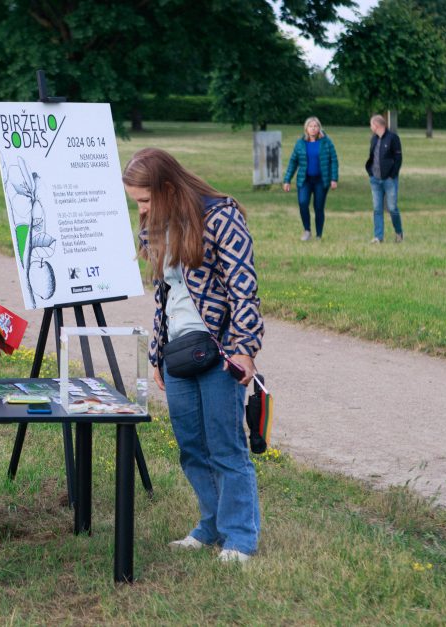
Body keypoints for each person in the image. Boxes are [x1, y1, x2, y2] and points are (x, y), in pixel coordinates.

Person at [123, 148, 264, 563]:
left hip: (220, 351)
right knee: (191, 449)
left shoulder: (221, 216)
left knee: (225, 447)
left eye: (146, 200)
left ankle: (240, 537)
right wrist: (155, 354)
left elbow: (244, 288)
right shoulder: (156, 225)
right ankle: (211, 525)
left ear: (167, 187)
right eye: (137, 203)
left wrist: (245, 349)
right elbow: (165, 295)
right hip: (177, 353)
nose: (142, 210)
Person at [283, 116, 339, 241]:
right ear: (306, 129)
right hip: (305, 180)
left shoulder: (326, 142)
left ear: (319, 128)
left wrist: (334, 178)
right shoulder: (300, 143)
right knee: (303, 203)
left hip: (321, 180)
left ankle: (319, 235)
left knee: (318, 207)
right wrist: (287, 180)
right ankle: (307, 230)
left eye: (315, 126)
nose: (313, 129)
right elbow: (293, 162)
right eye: (311, 126)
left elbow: (333, 160)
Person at [365, 114, 404, 243]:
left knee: (392, 208)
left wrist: (392, 175)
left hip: (389, 180)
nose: (370, 127)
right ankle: (378, 237)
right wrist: (370, 172)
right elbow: (372, 157)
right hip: (375, 180)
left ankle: (399, 233)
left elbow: (398, 159)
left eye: (371, 125)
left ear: (376, 125)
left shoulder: (393, 138)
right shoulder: (374, 139)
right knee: (377, 209)